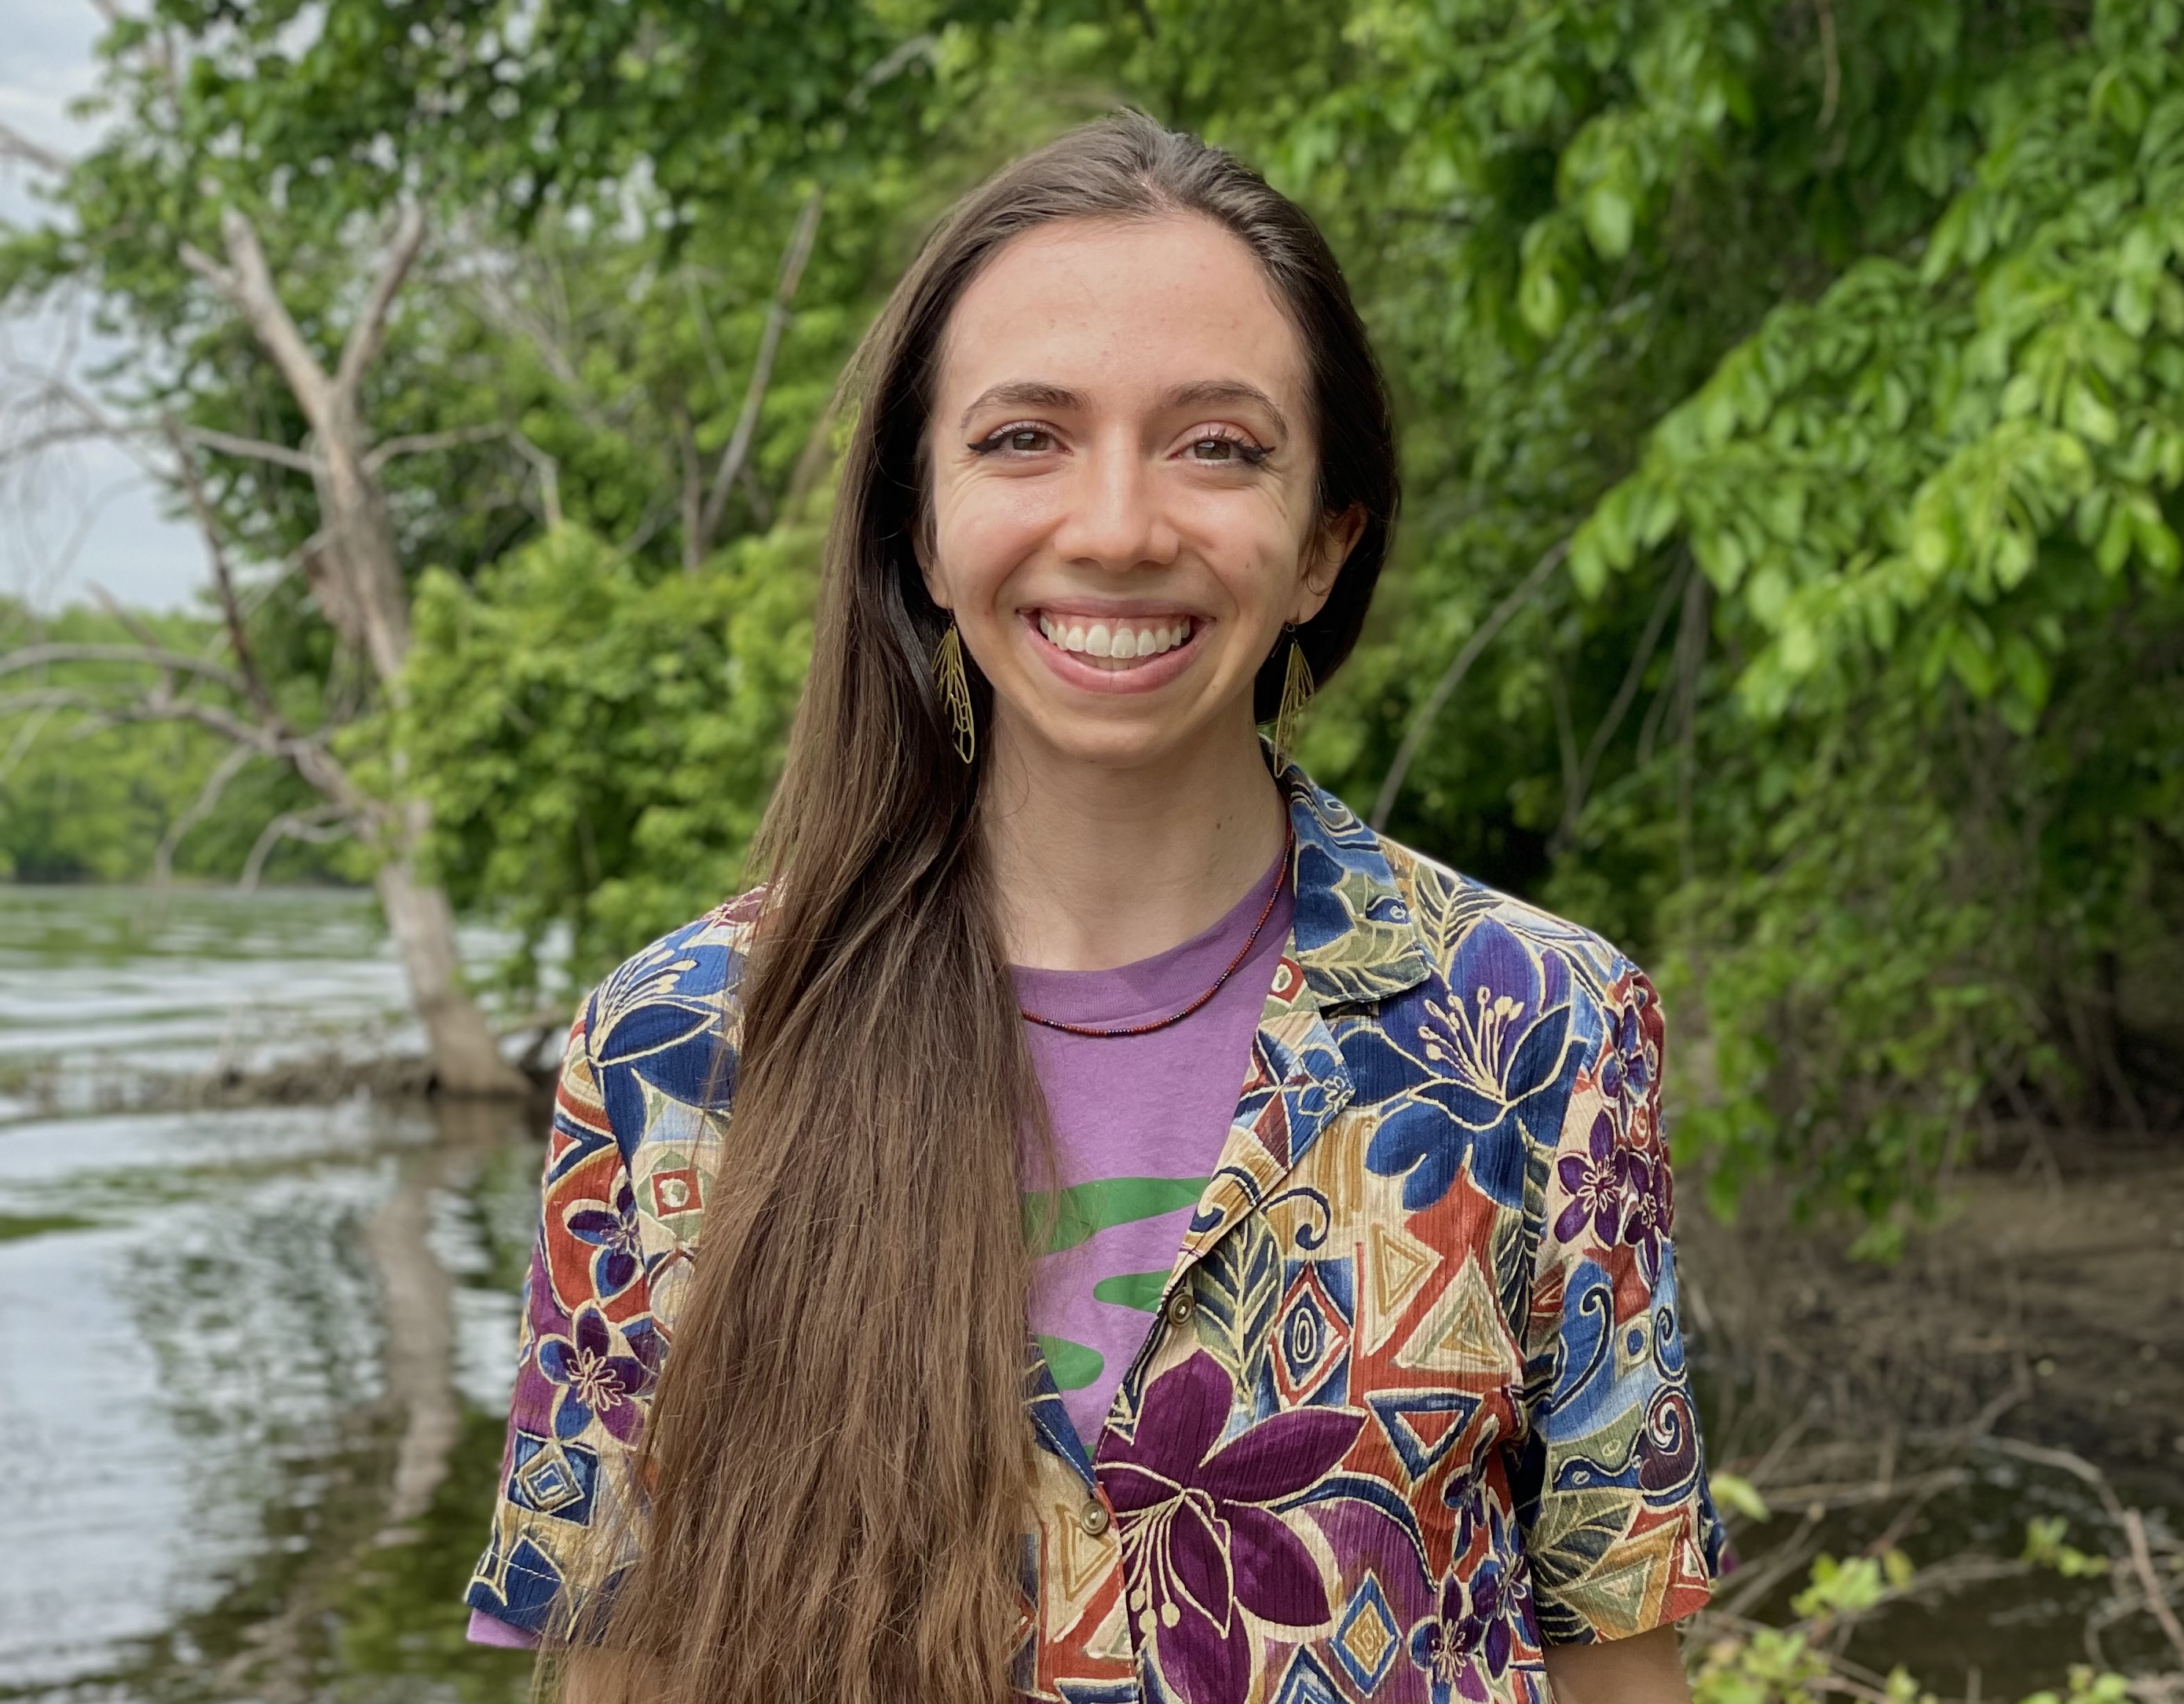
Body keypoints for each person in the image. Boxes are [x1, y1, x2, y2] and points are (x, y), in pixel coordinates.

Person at [463, 111, 1725, 1704]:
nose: (1119, 526)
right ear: (919, 528)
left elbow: (1617, 1663)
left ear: (1326, 541)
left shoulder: (1539, 1027)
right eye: (1022, 439)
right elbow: (623, 1674)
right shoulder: (674, 1049)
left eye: (1217, 445)